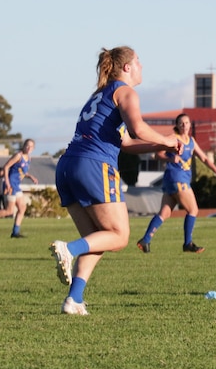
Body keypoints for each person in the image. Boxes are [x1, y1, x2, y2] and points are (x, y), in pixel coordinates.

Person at [49, 46, 182, 315]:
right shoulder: (126, 91)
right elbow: (138, 128)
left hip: (67, 166)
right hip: (92, 165)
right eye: (139, 61)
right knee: (120, 236)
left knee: (97, 238)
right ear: (127, 67)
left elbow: (125, 142)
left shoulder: (99, 95)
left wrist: (159, 148)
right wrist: (168, 139)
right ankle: (68, 248)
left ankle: (74, 300)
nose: (142, 66)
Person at [137, 113, 216, 254]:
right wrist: (170, 159)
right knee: (193, 210)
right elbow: (158, 154)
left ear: (190, 125)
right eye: (181, 123)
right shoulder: (173, 138)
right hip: (177, 178)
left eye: (187, 123)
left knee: (164, 213)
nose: (184, 126)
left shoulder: (191, 141)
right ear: (176, 125)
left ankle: (145, 240)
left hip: (173, 181)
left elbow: (204, 158)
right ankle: (188, 243)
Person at [0, 139, 39, 238]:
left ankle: (15, 232)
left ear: (33, 148)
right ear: (24, 146)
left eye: (31, 147)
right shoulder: (18, 155)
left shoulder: (28, 158)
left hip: (16, 186)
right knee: (9, 211)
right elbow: (6, 167)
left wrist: (31, 177)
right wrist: (7, 183)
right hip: (10, 185)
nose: (29, 148)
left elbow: (21, 171)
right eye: (27, 146)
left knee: (22, 208)